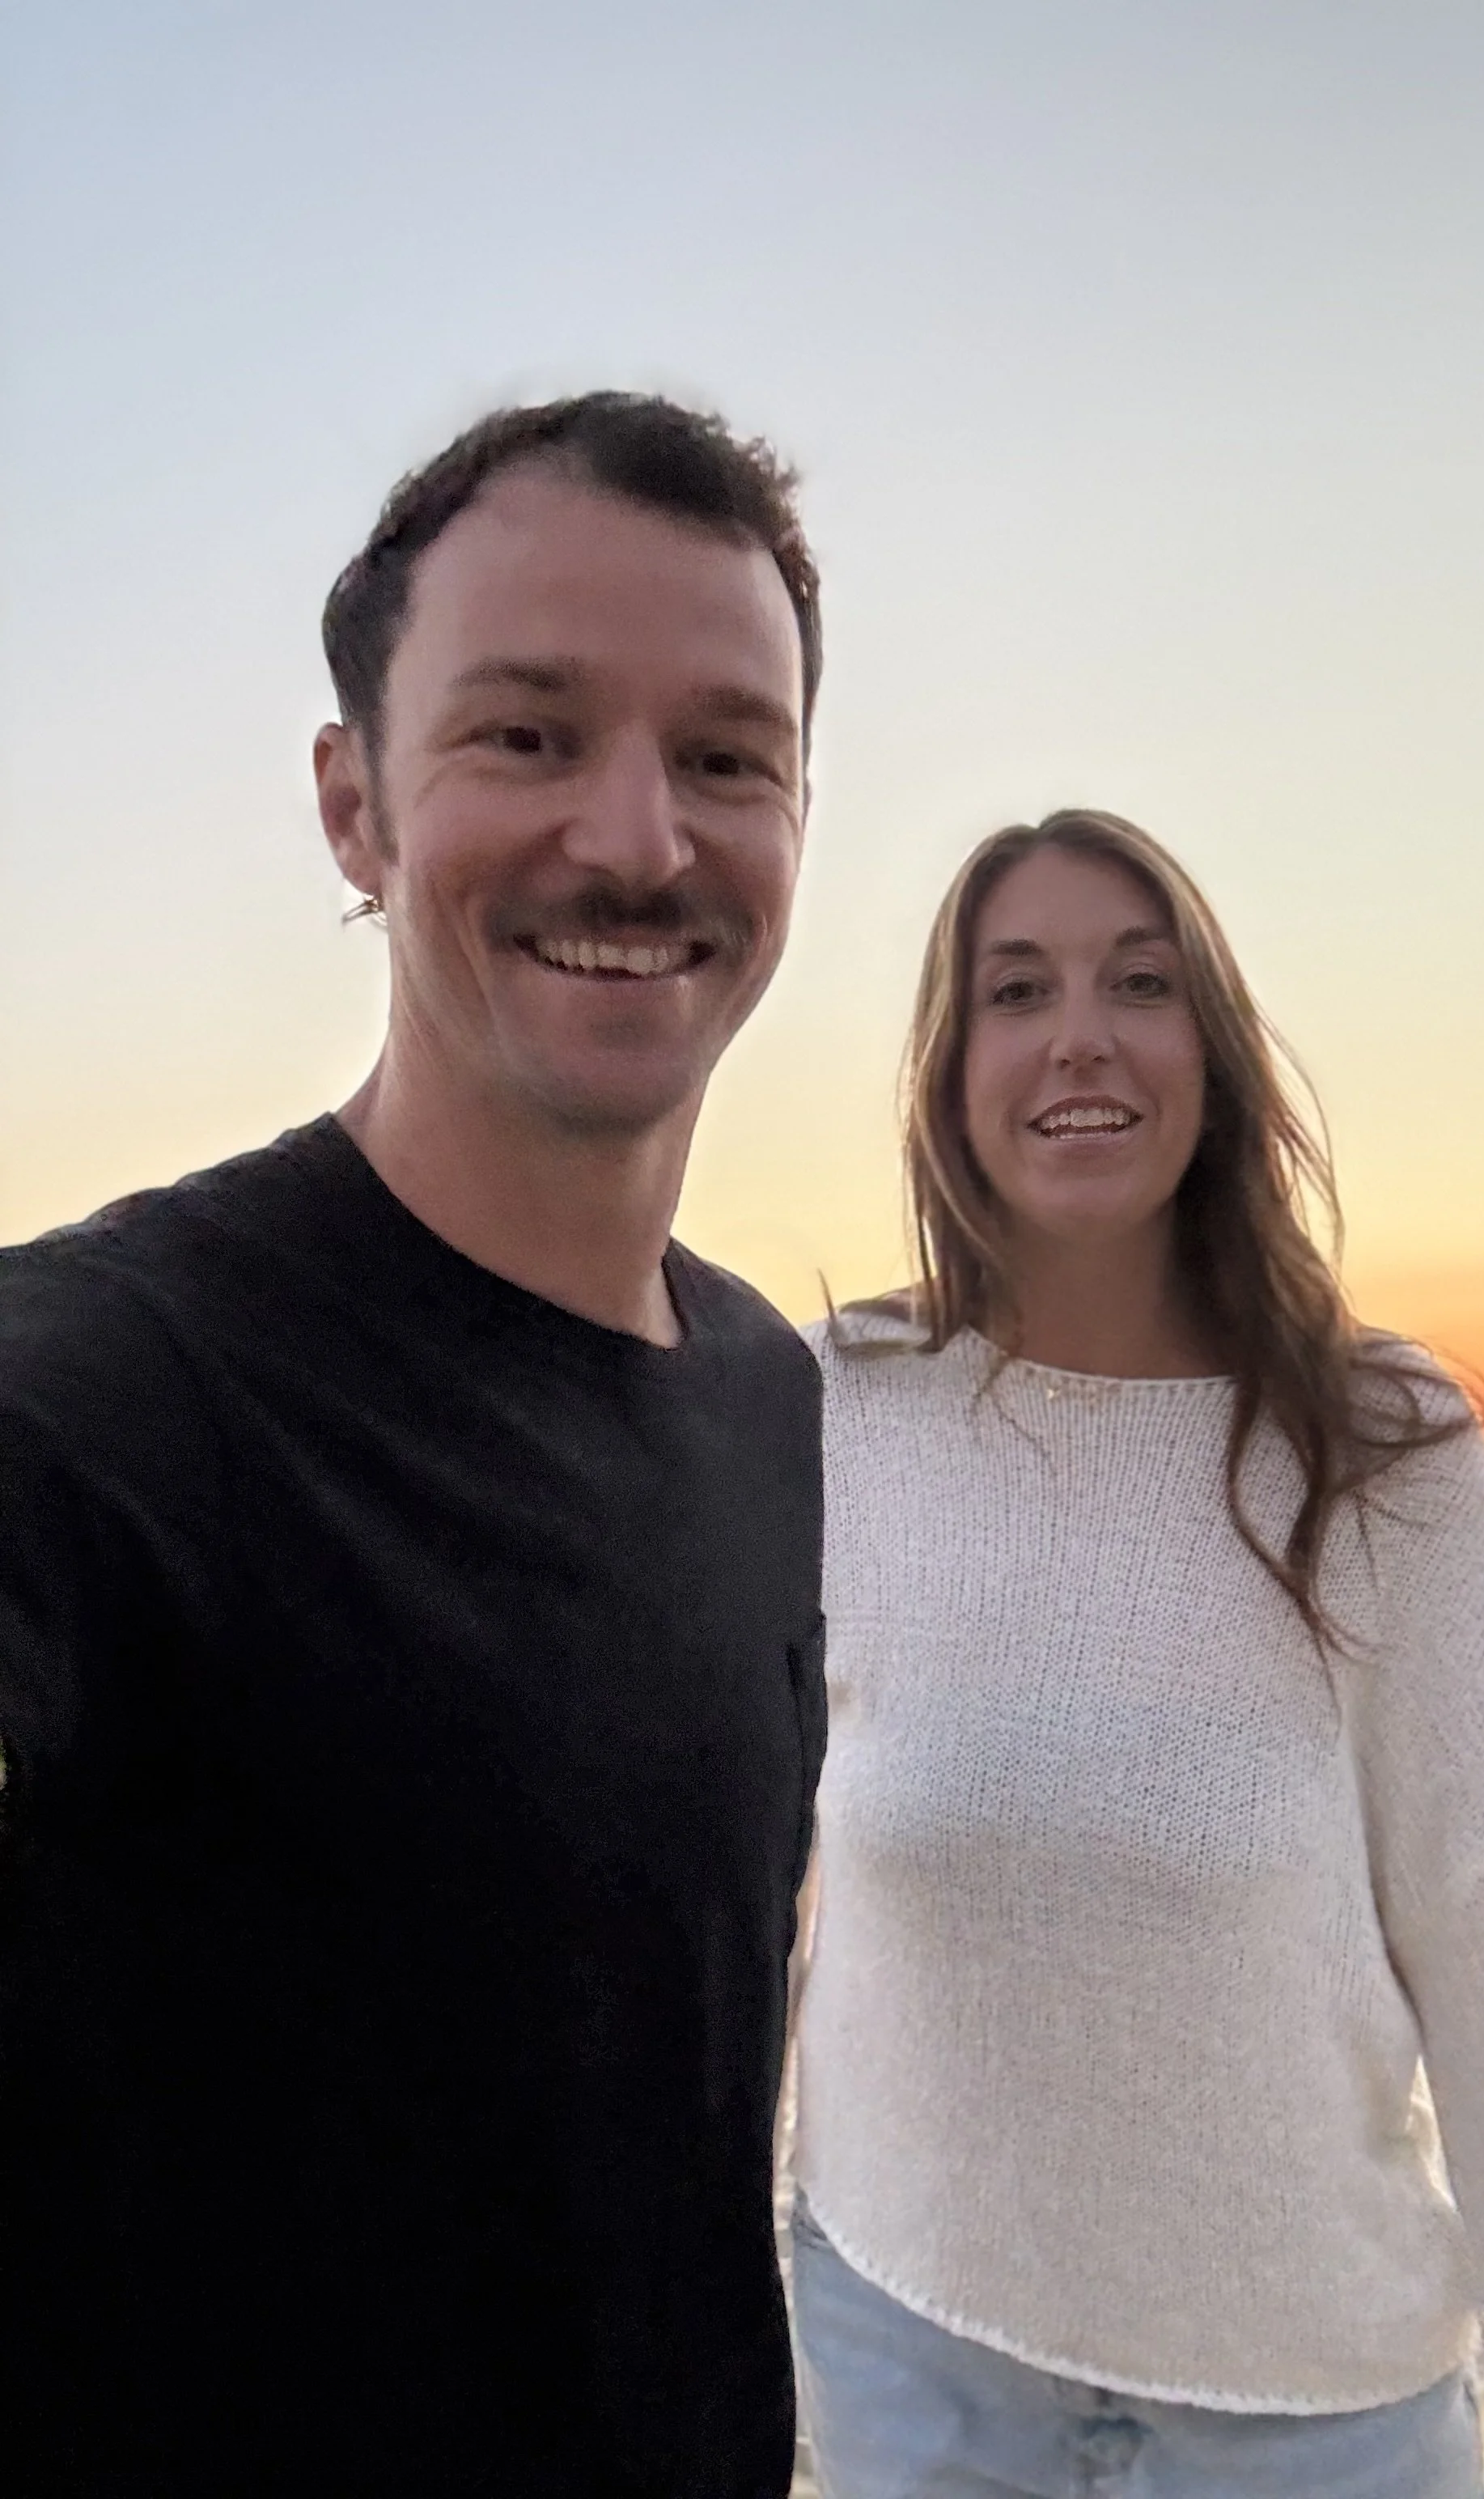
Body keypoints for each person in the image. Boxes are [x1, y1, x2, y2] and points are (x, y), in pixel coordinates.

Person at [0, 393, 828, 2497]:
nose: (638, 841)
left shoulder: (780, 1411)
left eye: (724, 757)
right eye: (527, 735)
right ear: (354, 808)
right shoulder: (101, 1390)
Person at [790, 811, 1484, 2497]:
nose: (1080, 1029)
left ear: (1210, 1050)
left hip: (1313, 2418)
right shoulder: (839, 1411)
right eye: (1019, 988)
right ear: (950, 1066)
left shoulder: (1383, 1447)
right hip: (911, 2375)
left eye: (1139, 981)